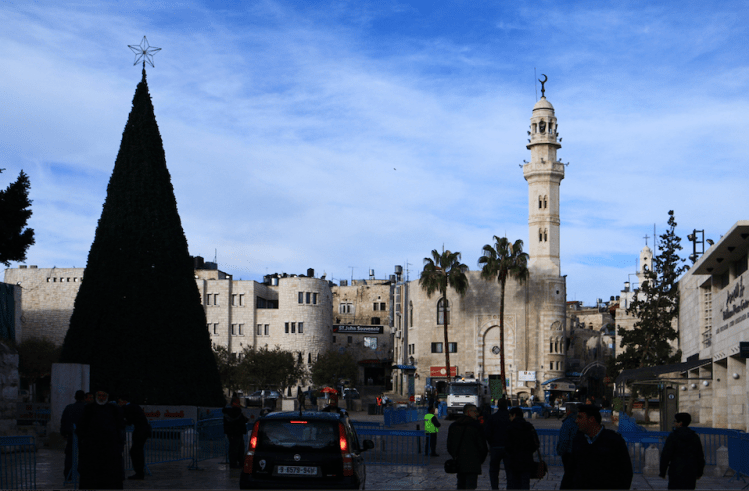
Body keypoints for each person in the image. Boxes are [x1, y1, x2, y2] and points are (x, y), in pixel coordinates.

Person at [569, 404, 632, 489]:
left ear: (591, 419)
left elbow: (626, 472)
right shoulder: (578, 440)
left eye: (580, 417)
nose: (576, 421)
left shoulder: (614, 440)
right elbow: (571, 471)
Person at [76, 387, 126, 489]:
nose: (101, 398)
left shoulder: (113, 409)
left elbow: (120, 427)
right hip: (92, 450)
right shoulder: (88, 409)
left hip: (109, 450)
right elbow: (81, 427)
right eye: (99, 395)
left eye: (104, 396)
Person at [447, 404, 488, 489]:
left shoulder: (454, 426)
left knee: (461, 485)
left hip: (459, 463)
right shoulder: (476, 427)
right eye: (475, 411)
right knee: (471, 486)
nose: (477, 414)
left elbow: (449, 445)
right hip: (473, 464)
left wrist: (455, 456)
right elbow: (483, 447)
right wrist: (479, 460)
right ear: (469, 412)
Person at [659, 412, 705, 489]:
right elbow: (700, 456)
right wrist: (699, 472)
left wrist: (662, 472)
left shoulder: (673, 436)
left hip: (676, 470)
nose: (674, 423)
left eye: (675, 421)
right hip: (691, 471)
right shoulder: (694, 437)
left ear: (680, 423)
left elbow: (666, 455)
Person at [118, 394, 151, 480]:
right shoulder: (135, 406)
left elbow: (129, 420)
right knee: (137, 451)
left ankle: (139, 473)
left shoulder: (127, 408)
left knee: (136, 452)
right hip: (144, 430)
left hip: (140, 431)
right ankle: (140, 472)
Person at [505, 407, 539, 490]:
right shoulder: (529, 427)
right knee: (525, 484)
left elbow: (507, 445)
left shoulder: (510, 428)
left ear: (514, 415)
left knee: (513, 483)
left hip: (513, 461)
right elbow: (536, 444)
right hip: (527, 460)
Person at [61, 390, 87, 480]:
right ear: (84, 397)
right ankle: (83, 474)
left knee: (69, 456)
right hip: (84, 437)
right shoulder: (87, 408)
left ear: (75, 397)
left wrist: (64, 433)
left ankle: (69, 475)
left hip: (71, 435)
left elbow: (63, 421)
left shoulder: (69, 408)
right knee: (84, 456)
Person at [485, 398, 510, 490]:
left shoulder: (492, 417)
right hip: (508, 447)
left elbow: (487, 433)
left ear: (497, 405)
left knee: (494, 470)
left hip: (495, 447)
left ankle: (494, 487)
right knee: (509, 470)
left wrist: (491, 443)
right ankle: (509, 487)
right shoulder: (510, 417)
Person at [556, 404, 579, 489]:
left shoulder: (568, 422)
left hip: (568, 453)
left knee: (568, 476)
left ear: (568, 411)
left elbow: (564, 440)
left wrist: (560, 451)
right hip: (576, 452)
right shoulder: (578, 421)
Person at [223, 396, 249, 468]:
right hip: (235, 432)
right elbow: (239, 420)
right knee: (235, 449)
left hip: (235, 432)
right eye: (238, 402)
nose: (239, 404)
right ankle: (234, 463)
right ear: (234, 403)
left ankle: (238, 462)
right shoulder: (235, 412)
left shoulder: (229, 412)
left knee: (239, 448)